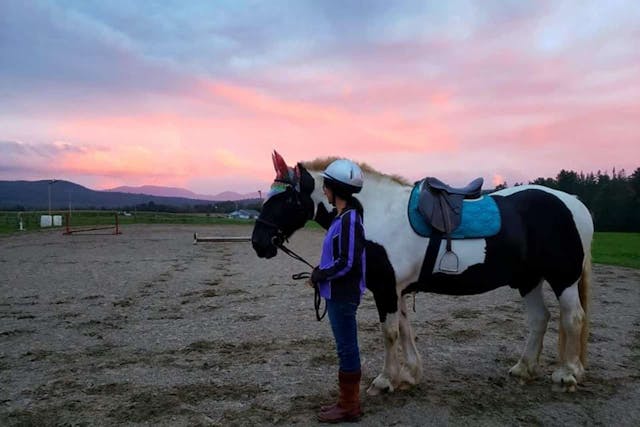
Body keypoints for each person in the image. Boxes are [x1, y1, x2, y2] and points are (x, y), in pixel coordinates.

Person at [310, 159, 366, 423]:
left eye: (326, 186)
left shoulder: (350, 220)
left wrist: (321, 273)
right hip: (336, 293)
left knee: (347, 348)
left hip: (343, 295)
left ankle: (349, 405)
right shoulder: (341, 218)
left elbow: (348, 261)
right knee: (344, 347)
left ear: (336, 189)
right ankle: (347, 402)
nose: (324, 191)